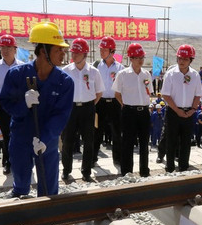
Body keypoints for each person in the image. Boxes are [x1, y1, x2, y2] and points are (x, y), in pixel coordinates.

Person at [0, 22, 73, 196]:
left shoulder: (65, 82)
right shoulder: (16, 74)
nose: (63, 54)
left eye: (63, 50)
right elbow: (6, 103)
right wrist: (23, 105)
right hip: (21, 137)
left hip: (47, 140)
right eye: (58, 50)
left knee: (48, 189)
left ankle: (47, 220)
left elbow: (61, 115)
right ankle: (22, 215)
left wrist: (45, 138)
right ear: (42, 51)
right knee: (21, 185)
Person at [62, 38, 102, 182]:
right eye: (73, 53)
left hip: (87, 109)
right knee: (67, 141)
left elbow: (99, 93)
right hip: (71, 109)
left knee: (88, 141)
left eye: (77, 53)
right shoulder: (65, 71)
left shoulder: (94, 72)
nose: (73, 56)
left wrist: (89, 105)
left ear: (85, 54)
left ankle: (86, 172)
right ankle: (66, 170)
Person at [161, 44, 202, 173]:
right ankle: (170, 168)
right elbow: (165, 95)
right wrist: (177, 110)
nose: (181, 61)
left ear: (191, 60)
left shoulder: (195, 75)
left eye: (185, 59)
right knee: (171, 141)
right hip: (173, 112)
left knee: (186, 142)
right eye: (179, 58)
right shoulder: (170, 74)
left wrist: (193, 110)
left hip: (189, 112)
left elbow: (198, 95)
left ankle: (184, 168)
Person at [0, 34, 24, 176]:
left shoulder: (22, 66)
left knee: (20, 134)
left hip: (19, 106)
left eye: (8, 47)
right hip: (2, 107)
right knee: (7, 136)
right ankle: (8, 162)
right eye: (2, 47)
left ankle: (21, 161)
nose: (5, 50)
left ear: (15, 49)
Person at [113, 43, 152, 177]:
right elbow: (117, 94)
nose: (140, 60)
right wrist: (126, 105)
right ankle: (127, 171)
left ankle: (144, 171)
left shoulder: (146, 74)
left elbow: (149, 92)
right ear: (131, 58)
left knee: (144, 143)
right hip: (129, 112)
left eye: (142, 57)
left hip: (144, 112)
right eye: (137, 57)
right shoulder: (123, 74)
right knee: (127, 143)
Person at [94, 36, 124, 167]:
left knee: (117, 133)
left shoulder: (120, 68)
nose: (101, 52)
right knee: (97, 132)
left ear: (112, 51)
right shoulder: (95, 66)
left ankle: (117, 159)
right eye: (101, 49)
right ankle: (92, 158)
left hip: (115, 103)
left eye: (104, 50)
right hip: (100, 103)